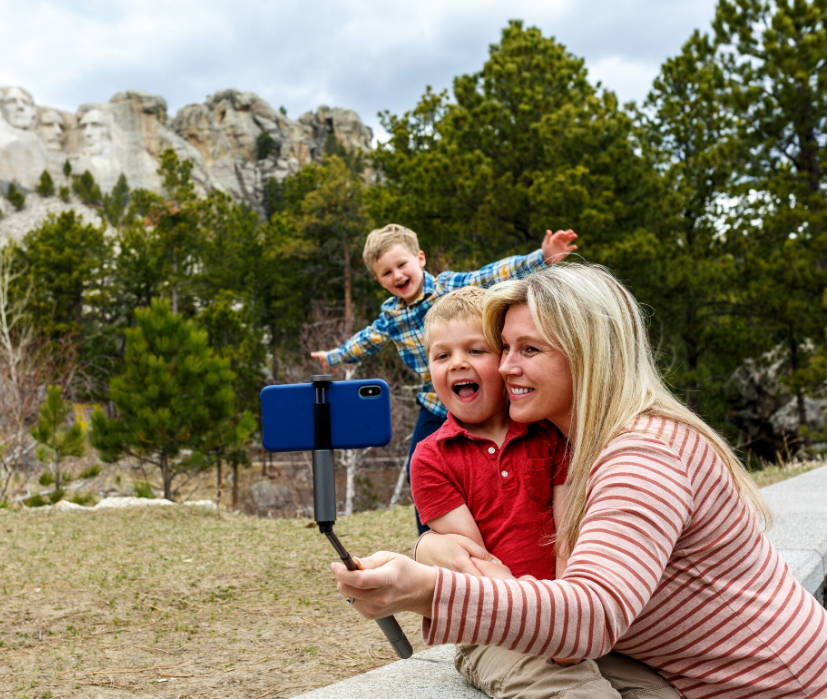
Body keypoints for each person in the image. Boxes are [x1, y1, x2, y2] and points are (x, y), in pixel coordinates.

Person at [332, 263, 827, 698]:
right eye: (503, 347)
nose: (505, 367)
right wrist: (430, 546)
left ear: (588, 354)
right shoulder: (581, 439)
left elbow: (589, 616)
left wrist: (426, 589)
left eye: (528, 349)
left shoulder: (642, 454)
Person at [411, 285, 676, 699]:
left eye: (476, 351)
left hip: (564, 609)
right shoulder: (431, 458)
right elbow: (475, 561)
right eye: (442, 355)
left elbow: (568, 532)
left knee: (657, 692)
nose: (458, 363)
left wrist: (568, 627)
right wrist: (539, 626)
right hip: (492, 627)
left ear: (503, 363)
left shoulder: (549, 434)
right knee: (578, 694)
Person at [312, 223, 578, 534]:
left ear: (420, 258)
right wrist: (332, 358)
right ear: (378, 280)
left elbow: (491, 274)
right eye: (386, 273)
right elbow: (364, 342)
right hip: (434, 402)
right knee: (421, 464)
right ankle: (431, 537)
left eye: (401, 265)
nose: (397, 276)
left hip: (487, 395)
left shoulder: (449, 288)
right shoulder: (390, 318)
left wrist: (540, 257)